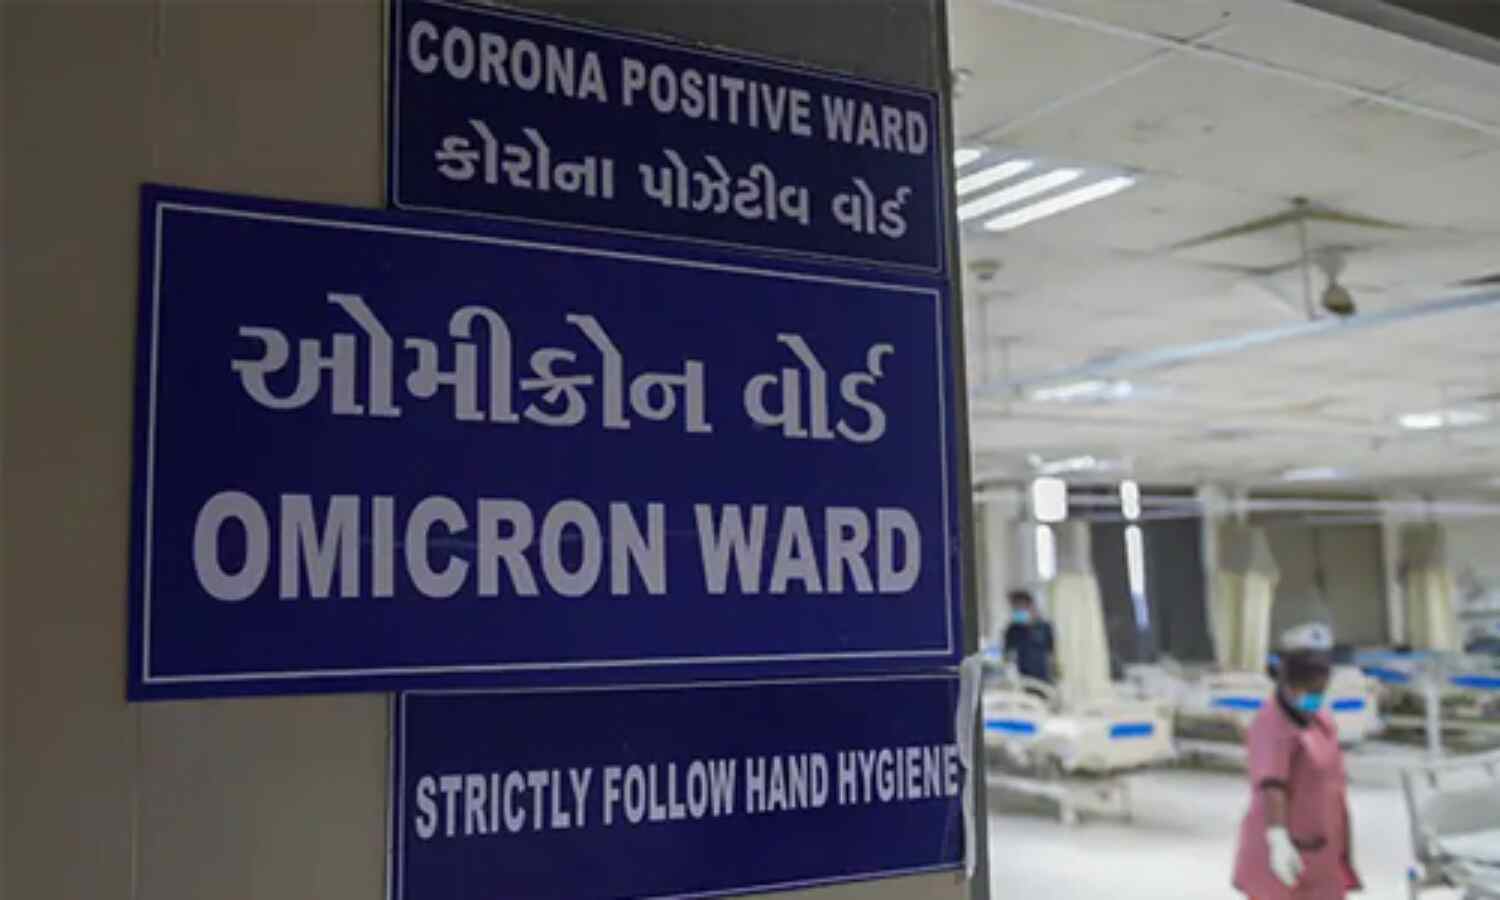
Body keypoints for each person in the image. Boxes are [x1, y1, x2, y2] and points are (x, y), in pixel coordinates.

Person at [1233, 621, 1362, 900]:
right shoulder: (1271, 723)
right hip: (1285, 855)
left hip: (1322, 851)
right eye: (1310, 685)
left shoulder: (1319, 717)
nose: (1316, 694)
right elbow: (1272, 786)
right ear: (1288, 679)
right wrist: (1278, 839)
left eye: (1322, 685)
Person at [1002, 590, 1054, 684]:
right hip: (1022, 680)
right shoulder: (1012, 630)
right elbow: (1007, 655)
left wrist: (1052, 673)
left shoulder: (1044, 627)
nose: (1017, 611)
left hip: (1044, 679)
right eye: (1015, 608)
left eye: (1020, 607)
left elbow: (1050, 654)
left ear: (1030, 606)